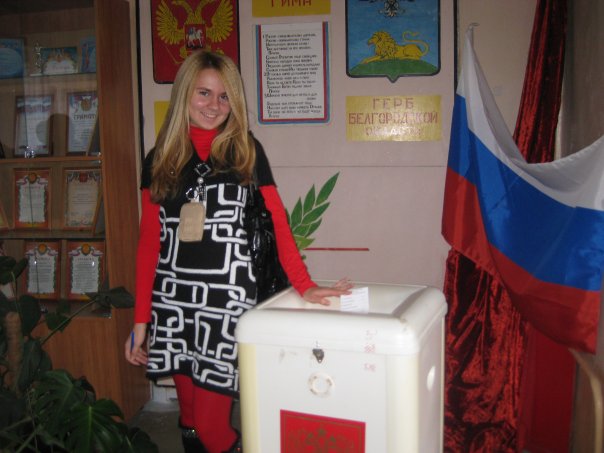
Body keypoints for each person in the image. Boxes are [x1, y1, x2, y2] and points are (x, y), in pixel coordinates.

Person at [124, 49, 352, 453]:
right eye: (204, 93)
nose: (215, 105)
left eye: (225, 96)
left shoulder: (246, 150)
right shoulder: (159, 159)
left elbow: (278, 222)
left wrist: (305, 285)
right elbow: (150, 243)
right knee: (189, 418)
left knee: (212, 427)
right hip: (174, 305)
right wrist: (141, 321)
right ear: (184, 94)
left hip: (225, 304)